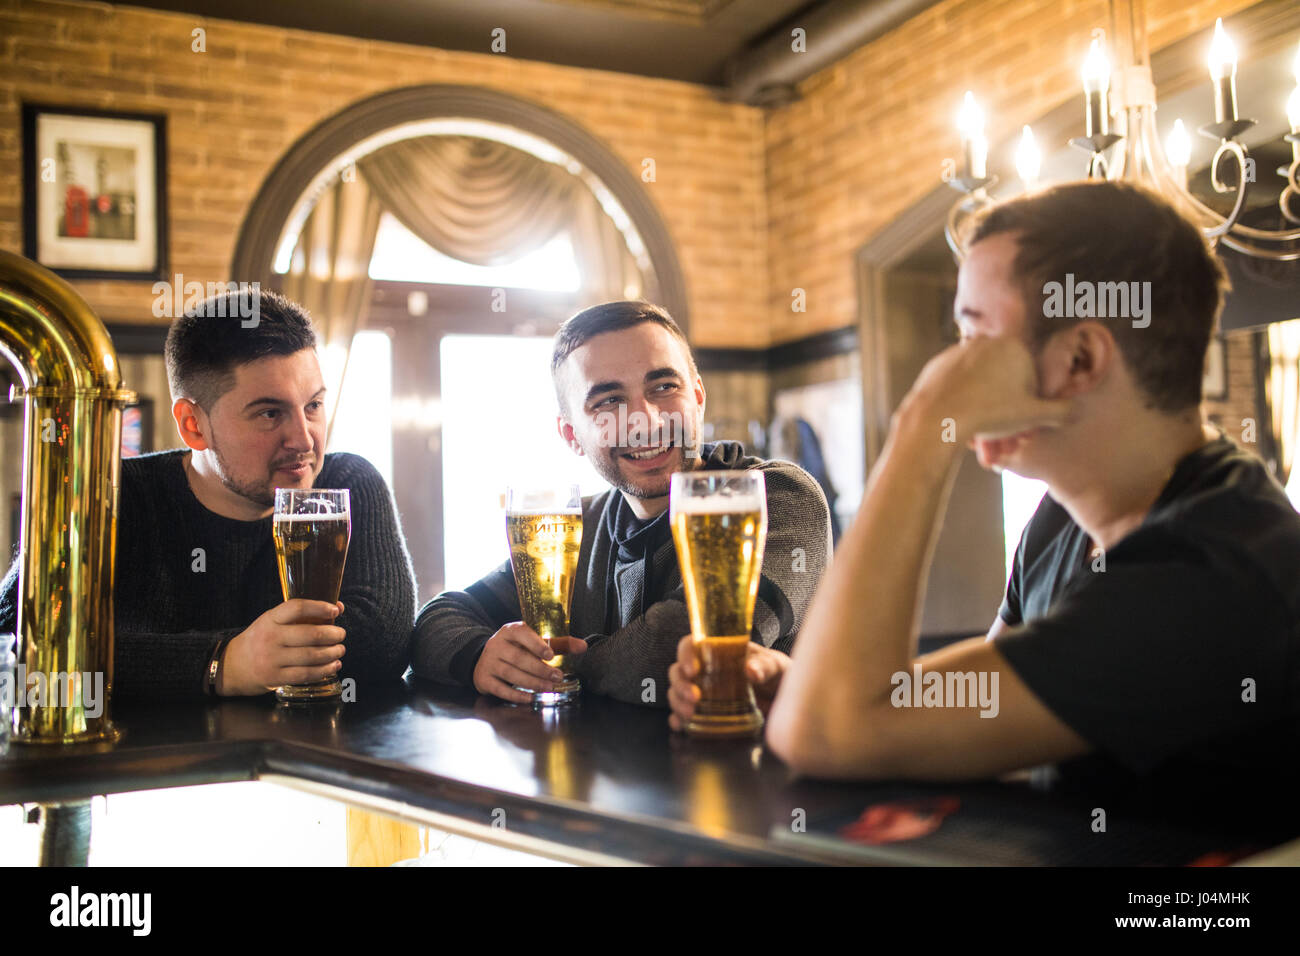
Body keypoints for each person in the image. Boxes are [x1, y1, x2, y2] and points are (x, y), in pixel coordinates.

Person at [671, 180, 1300, 788]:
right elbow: (956, 720)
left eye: (975, 337)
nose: (953, 366)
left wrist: (923, 424)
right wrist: (800, 683)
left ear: (1080, 358)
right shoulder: (1061, 519)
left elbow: (831, 733)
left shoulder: (1218, 570)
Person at [412, 301, 832, 707]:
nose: (644, 421)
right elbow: (438, 619)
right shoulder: (577, 527)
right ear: (571, 434)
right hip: (593, 777)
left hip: (751, 773)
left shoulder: (774, 497)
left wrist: (554, 663)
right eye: (608, 400)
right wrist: (479, 655)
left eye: (664, 387)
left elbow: (679, 651)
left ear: (698, 397)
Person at [0, 289, 416, 698]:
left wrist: (149, 659)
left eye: (313, 406)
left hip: (311, 762)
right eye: (270, 413)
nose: (304, 440)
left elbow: (385, 642)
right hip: (145, 764)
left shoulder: (347, 484)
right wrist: (225, 662)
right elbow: (18, 645)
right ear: (193, 425)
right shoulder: (111, 495)